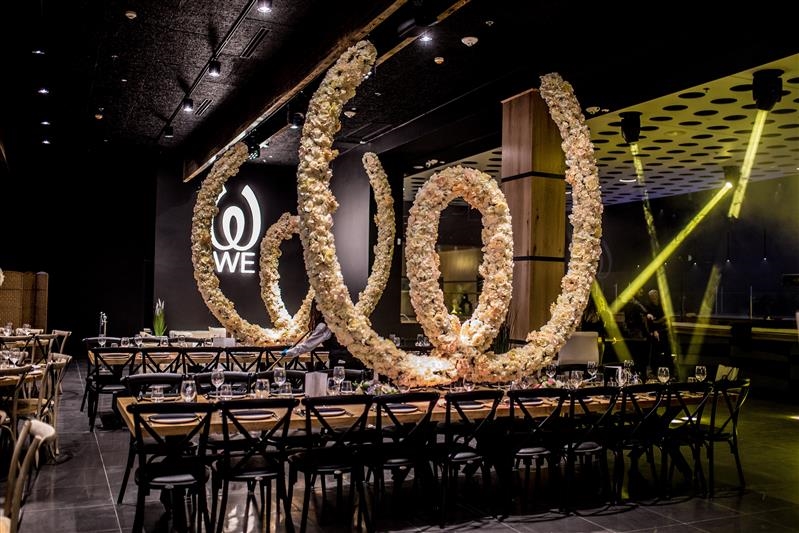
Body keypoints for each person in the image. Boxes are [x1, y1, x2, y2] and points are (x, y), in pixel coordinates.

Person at [281, 299, 363, 370]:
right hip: (352, 359)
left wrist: (289, 352)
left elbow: (308, 346)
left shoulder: (324, 325)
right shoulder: (336, 321)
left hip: (343, 362)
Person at [645, 289, 674, 379]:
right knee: (655, 353)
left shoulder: (662, 305)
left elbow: (667, 316)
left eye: (655, 295)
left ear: (657, 295)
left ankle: (670, 372)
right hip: (655, 331)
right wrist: (654, 329)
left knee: (667, 352)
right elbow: (649, 320)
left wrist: (658, 321)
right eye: (651, 296)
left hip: (663, 330)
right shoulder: (649, 306)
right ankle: (654, 372)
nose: (653, 297)